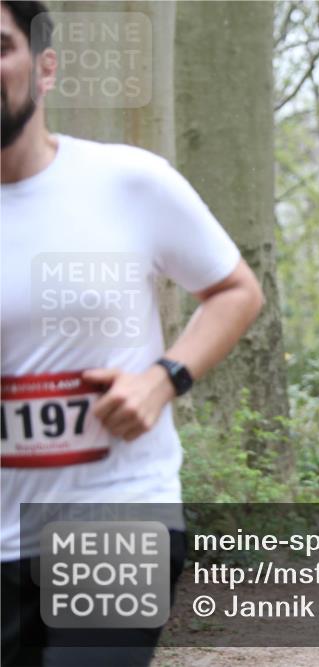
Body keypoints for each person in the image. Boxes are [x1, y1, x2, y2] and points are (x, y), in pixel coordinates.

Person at [1, 2, 263, 664]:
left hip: (117, 511)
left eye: (1, 48)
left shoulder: (126, 181)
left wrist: (162, 378)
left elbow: (236, 291)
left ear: (45, 67)